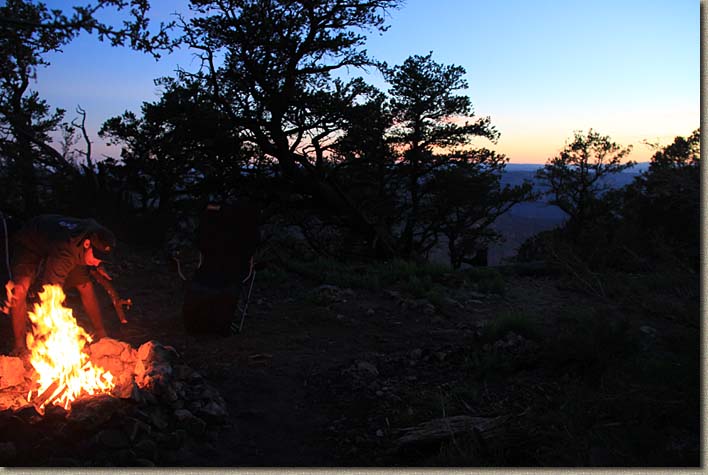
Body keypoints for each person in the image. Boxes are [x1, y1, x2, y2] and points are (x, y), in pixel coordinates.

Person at [6, 214, 116, 355]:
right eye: (96, 257)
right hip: (31, 240)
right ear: (87, 244)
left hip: (70, 246)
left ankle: (102, 333)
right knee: (20, 289)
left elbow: (97, 243)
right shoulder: (64, 254)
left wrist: (98, 265)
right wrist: (55, 331)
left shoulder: (97, 233)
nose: (97, 262)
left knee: (85, 286)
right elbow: (50, 293)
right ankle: (19, 346)